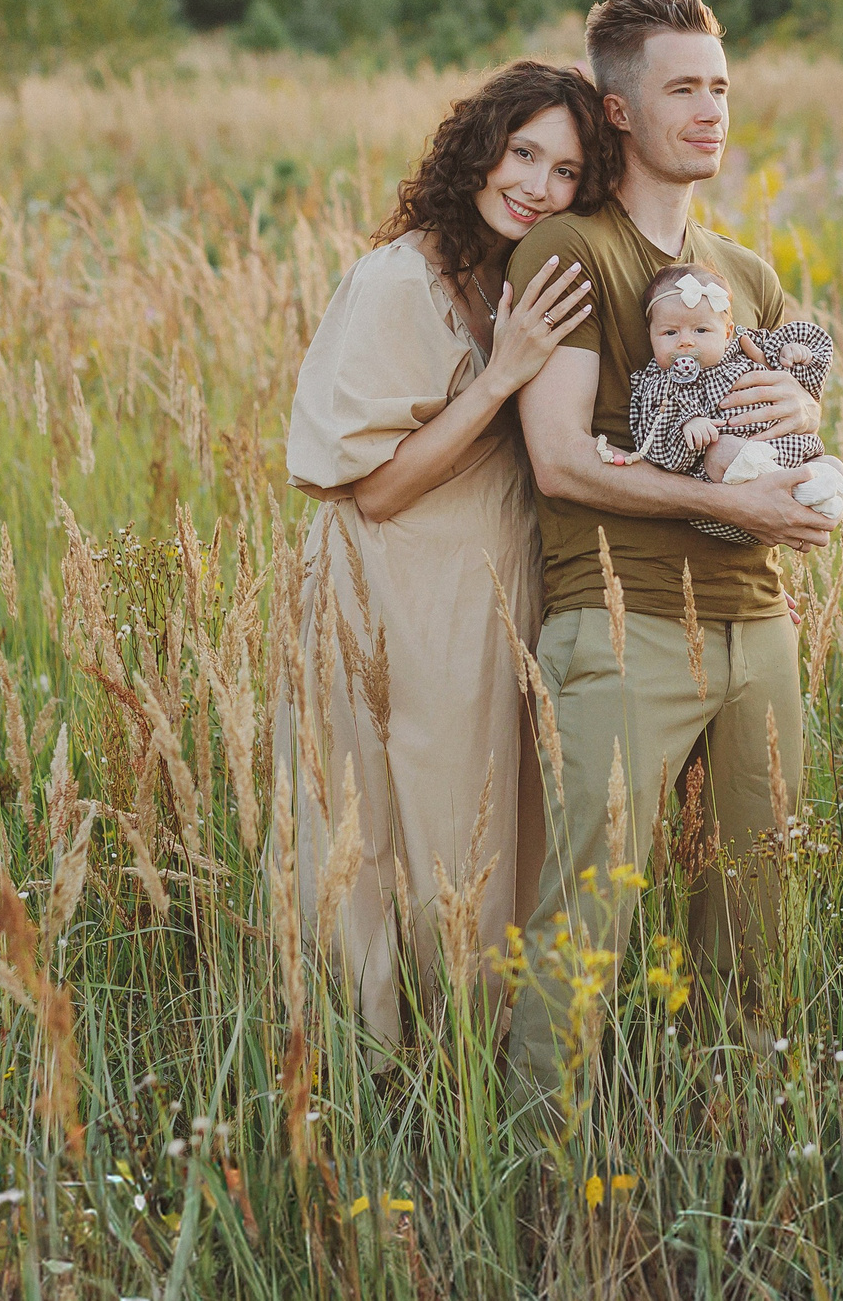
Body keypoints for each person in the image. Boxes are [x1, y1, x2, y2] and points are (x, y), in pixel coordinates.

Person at [504, 0, 840, 1094]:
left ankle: (737, 1171)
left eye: (721, 86)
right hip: (620, 623)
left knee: (758, 923)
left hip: (759, 627)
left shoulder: (745, 273)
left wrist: (801, 436)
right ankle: (544, 1199)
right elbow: (557, 459)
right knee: (584, 927)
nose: (711, 110)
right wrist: (740, 506)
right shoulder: (568, 247)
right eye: (682, 89)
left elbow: (779, 430)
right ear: (616, 111)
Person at [273, 59, 609, 1045]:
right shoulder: (396, 280)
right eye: (524, 154)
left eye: (565, 173)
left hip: (492, 593)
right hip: (395, 588)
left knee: (490, 813)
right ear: (480, 150)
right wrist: (501, 374)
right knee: (392, 815)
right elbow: (374, 488)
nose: (538, 187)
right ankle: (379, 1049)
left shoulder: (526, 277)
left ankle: (483, 1041)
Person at [613, 261, 843, 546]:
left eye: (701, 330)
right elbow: (656, 442)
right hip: (733, 494)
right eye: (670, 333)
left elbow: (799, 382)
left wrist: (798, 355)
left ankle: (815, 492)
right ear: (651, 336)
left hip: (791, 454)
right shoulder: (662, 383)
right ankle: (785, 491)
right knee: (721, 449)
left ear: (727, 333)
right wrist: (689, 425)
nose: (685, 342)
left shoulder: (749, 348)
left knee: (833, 464)